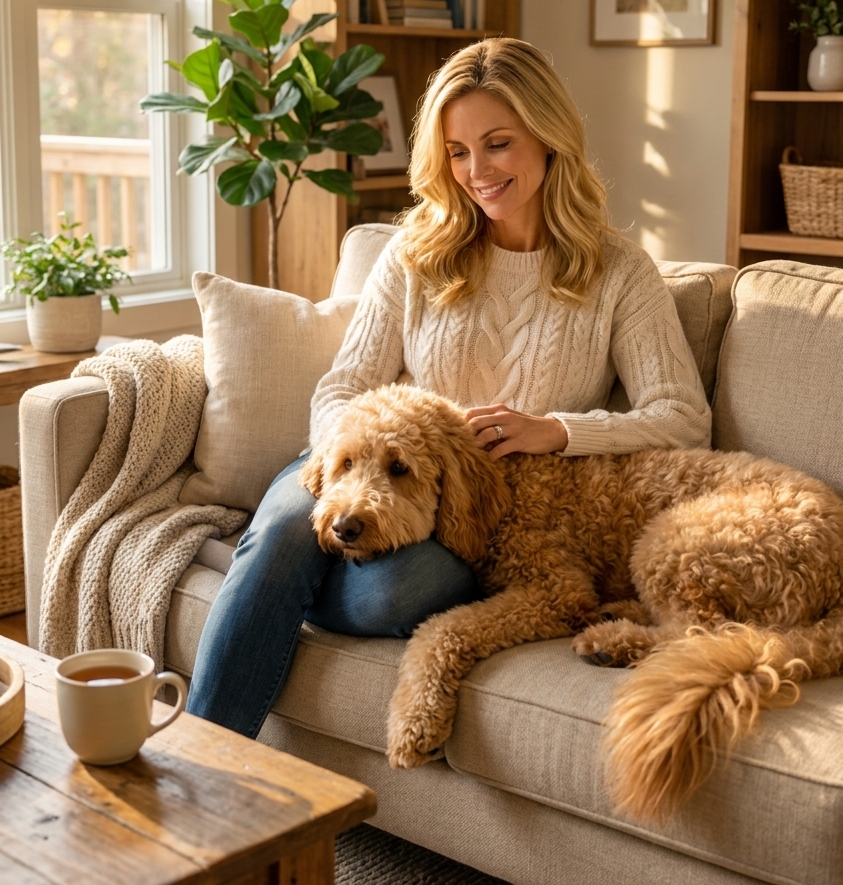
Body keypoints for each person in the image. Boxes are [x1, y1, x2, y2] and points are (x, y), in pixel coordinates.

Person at [186, 37, 710, 737]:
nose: (475, 171)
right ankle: (203, 758)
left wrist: (556, 429)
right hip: (365, 463)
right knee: (284, 526)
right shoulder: (415, 252)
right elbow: (343, 385)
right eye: (457, 152)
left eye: (497, 144)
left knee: (395, 594)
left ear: (549, 139)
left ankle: (273, 591)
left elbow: (682, 418)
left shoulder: (617, 271)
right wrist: (351, 460)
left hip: (479, 509)